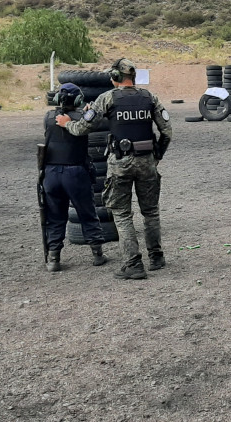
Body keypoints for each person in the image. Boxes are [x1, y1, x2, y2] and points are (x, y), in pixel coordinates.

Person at [57, 58, 172, 280]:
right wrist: (156, 156)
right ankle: (156, 257)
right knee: (150, 212)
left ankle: (133, 264)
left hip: (120, 163)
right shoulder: (150, 98)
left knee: (121, 213)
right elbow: (167, 131)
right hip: (147, 161)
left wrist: (66, 124)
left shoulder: (107, 98)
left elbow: (82, 128)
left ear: (116, 78)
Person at [42, 83, 107, 271]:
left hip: (51, 173)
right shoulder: (82, 119)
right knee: (87, 212)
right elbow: (94, 122)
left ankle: (53, 258)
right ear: (78, 99)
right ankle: (97, 254)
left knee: (55, 216)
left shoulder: (48, 117)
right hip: (76, 173)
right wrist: (87, 111)